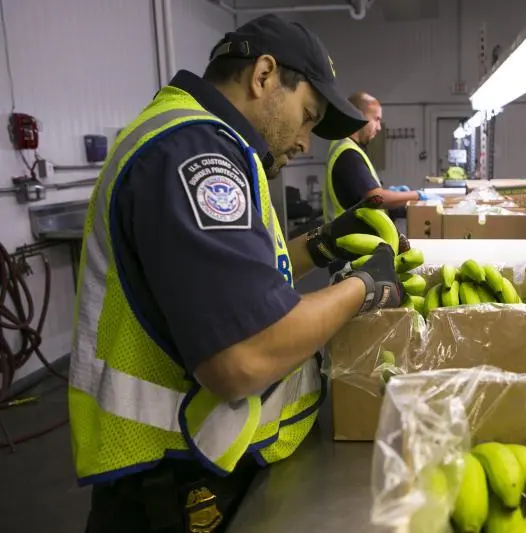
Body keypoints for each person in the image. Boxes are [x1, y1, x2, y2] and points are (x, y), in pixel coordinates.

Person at [69, 15, 404, 533]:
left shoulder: (195, 138)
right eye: (308, 117)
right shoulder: (196, 151)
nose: (305, 143)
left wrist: (319, 245)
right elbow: (244, 355)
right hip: (176, 484)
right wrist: (365, 285)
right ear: (264, 75)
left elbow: (241, 281)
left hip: (183, 471)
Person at [323, 91, 441, 225]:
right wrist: (418, 195)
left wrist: (393, 195)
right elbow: (375, 198)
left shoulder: (348, 148)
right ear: (357, 116)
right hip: (351, 241)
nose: (379, 128)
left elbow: (362, 199)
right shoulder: (348, 153)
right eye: (376, 119)